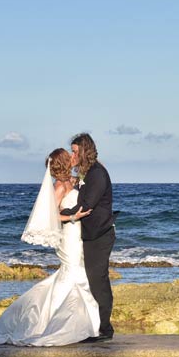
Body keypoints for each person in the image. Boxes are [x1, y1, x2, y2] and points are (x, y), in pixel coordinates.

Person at [0, 149, 100, 346]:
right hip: (68, 235)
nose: (73, 157)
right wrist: (72, 217)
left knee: (78, 273)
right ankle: (59, 323)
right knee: (73, 273)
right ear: (63, 161)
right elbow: (50, 216)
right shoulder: (59, 186)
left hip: (78, 234)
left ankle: (83, 324)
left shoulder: (75, 181)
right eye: (69, 156)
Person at [61, 132, 116, 342]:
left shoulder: (97, 174)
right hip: (87, 235)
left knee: (98, 280)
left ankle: (105, 329)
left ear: (84, 151)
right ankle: (91, 325)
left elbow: (86, 206)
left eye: (75, 151)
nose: (71, 155)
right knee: (89, 280)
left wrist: (59, 216)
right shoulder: (86, 173)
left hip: (100, 235)